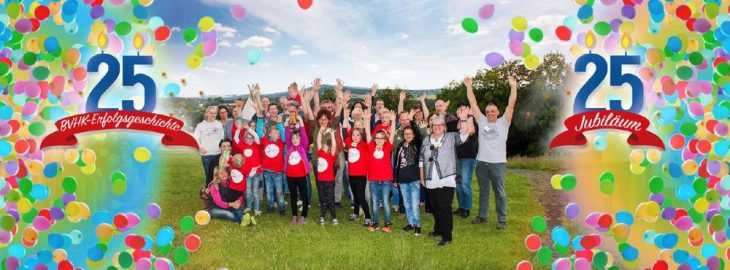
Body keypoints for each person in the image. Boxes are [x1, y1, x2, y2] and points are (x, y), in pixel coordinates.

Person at [466, 75, 517, 230]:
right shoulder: (481, 121)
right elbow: (473, 103)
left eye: (493, 111)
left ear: (498, 112)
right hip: (481, 162)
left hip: (498, 164)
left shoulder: (504, 122)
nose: (490, 113)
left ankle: (502, 219)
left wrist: (513, 86)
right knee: (484, 192)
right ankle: (482, 216)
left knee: (500, 193)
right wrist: (469, 86)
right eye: (488, 111)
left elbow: (511, 105)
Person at [419, 112, 470, 246]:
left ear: (444, 126)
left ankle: (447, 236)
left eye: (440, 125)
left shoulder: (451, 137)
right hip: (430, 178)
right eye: (434, 125)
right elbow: (421, 160)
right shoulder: (426, 140)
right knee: (435, 207)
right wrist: (422, 177)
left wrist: (463, 119)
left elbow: (464, 135)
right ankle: (438, 229)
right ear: (431, 126)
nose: (437, 127)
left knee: (444, 207)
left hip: (446, 178)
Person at [363, 100, 397, 233]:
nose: (379, 139)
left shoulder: (387, 147)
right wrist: (366, 120)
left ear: (385, 139)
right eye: (376, 137)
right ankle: (376, 223)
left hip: (385, 180)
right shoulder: (371, 146)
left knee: (386, 203)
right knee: (375, 203)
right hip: (373, 180)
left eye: (381, 138)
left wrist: (393, 121)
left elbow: (392, 135)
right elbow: (367, 133)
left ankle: (388, 224)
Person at [343, 107, 372, 226]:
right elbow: (346, 131)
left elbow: (367, 134)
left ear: (361, 136)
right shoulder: (349, 143)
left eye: (358, 135)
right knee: (355, 195)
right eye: (353, 135)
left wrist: (366, 120)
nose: (355, 137)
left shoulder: (365, 145)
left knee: (361, 196)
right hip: (352, 174)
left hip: (361, 174)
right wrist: (346, 115)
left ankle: (368, 216)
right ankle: (355, 213)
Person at [257, 111, 287, 216]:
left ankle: (282, 208)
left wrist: (279, 125)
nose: (278, 134)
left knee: (279, 191)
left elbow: (284, 134)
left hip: (278, 171)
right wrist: (260, 119)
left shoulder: (281, 142)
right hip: (267, 171)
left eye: (278, 133)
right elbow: (259, 132)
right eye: (275, 132)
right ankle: (270, 207)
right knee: (269, 190)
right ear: (269, 134)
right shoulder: (265, 141)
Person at [395, 125, 422, 235]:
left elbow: (418, 134)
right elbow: (396, 163)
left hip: (414, 179)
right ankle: (411, 223)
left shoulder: (416, 145)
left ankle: (418, 225)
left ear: (414, 135)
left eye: (410, 133)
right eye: (406, 134)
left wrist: (410, 120)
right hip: (402, 180)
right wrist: (395, 178)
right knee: (407, 204)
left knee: (415, 204)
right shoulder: (400, 146)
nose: (408, 135)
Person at [285, 114, 311, 225]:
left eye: (297, 138)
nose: (295, 140)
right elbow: (287, 136)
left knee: (304, 196)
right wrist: (286, 124)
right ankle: (295, 215)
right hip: (290, 176)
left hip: (301, 176)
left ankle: (304, 215)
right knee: (293, 197)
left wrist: (300, 121)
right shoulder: (290, 146)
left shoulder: (303, 146)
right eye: (293, 138)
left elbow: (304, 135)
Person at [454, 104, 478, 219]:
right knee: (458, 185)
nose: (461, 110)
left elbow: (471, 131)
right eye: (459, 109)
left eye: (464, 109)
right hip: (456, 158)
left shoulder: (471, 121)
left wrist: (470, 116)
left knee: (465, 184)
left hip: (467, 158)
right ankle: (461, 207)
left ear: (468, 110)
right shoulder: (454, 123)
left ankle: (467, 208)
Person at [234, 122, 263, 216]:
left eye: (251, 138)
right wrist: (238, 129)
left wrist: (249, 128)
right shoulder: (243, 145)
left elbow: (257, 137)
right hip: (247, 173)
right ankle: (249, 207)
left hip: (256, 172)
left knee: (255, 192)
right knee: (248, 191)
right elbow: (235, 138)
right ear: (244, 138)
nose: (250, 139)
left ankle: (256, 209)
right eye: (247, 137)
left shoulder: (256, 145)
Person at [195, 106, 224, 186]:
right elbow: (195, 138)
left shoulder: (218, 124)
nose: (213, 115)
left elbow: (222, 138)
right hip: (206, 155)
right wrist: (200, 146)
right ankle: (208, 194)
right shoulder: (200, 125)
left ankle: (218, 194)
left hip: (218, 154)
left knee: (218, 176)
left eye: (215, 113)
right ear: (207, 113)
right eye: (211, 113)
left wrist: (223, 151)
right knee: (209, 176)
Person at [316, 128, 338, 225]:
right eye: (323, 144)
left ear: (329, 149)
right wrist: (320, 132)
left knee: (331, 199)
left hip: (329, 181)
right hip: (320, 181)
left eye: (325, 145)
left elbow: (334, 145)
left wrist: (332, 134)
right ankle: (322, 216)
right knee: (323, 199)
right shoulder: (320, 153)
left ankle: (333, 217)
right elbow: (318, 141)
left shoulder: (331, 156)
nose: (324, 145)